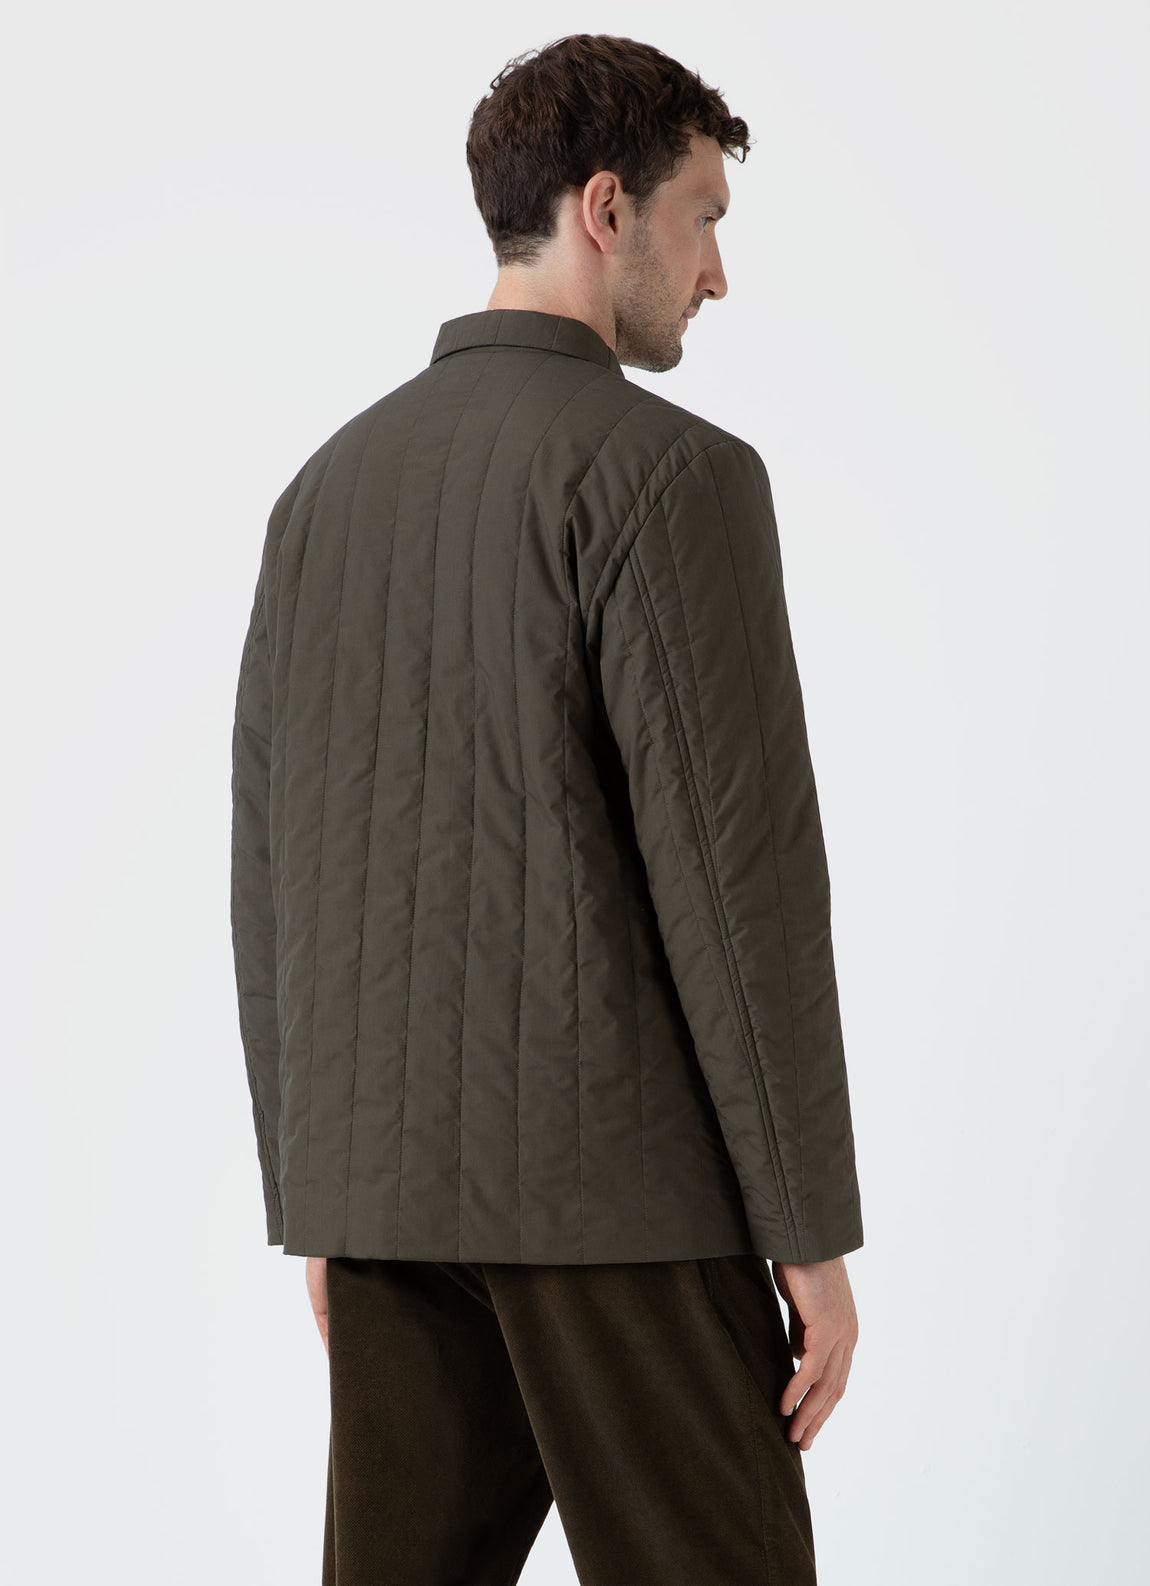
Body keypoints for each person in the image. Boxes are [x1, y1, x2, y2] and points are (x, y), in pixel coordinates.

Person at [230, 31, 863, 1586]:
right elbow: (739, 885)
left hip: (382, 1199)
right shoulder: (672, 478)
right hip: (621, 1203)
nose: (716, 275)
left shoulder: (322, 491)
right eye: (703, 219)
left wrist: (317, 1193)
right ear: (605, 207)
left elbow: (268, 863)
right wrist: (807, 1232)